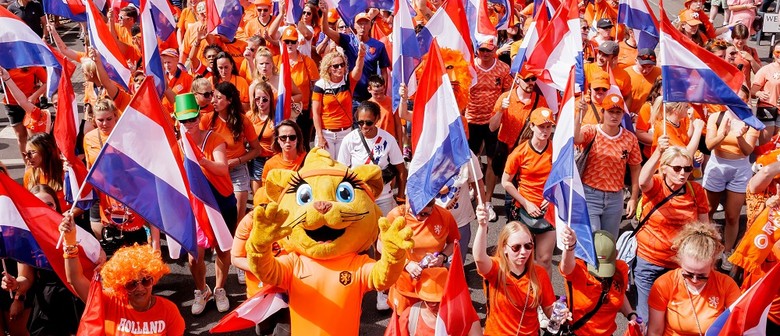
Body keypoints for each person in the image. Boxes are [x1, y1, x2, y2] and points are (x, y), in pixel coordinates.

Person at [60, 216, 185, 336]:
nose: (140, 288)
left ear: (154, 278)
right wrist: (70, 242)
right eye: (132, 283)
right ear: (121, 283)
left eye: (146, 281)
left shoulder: (169, 310)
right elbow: (75, 279)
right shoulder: (110, 303)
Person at [176, 93, 238, 315]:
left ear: (199, 116)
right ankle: (202, 290)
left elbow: (222, 168)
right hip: (194, 205)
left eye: (192, 119)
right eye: (183, 121)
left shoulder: (214, 139)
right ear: (177, 121)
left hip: (220, 200)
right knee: (195, 256)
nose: (189, 124)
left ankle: (220, 289)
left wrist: (199, 159)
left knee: (223, 249)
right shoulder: (177, 146)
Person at [634, 141, 710, 321]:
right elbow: (643, 181)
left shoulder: (696, 190)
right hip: (649, 261)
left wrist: (706, 260)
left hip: (681, 265)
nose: (683, 173)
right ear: (664, 168)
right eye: (677, 168)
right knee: (646, 319)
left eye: (687, 169)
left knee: (674, 318)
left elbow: (704, 229)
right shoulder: (657, 185)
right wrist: (657, 153)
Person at [2, 184, 85, 336]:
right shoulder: (27, 237)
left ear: (56, 206)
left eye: (49, 205)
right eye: (38, 204)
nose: (45, 209)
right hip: (47, 302)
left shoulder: (72, 230)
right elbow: (26, 278)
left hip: (75, 297)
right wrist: (16, 284)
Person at [473, 206, 557, 334]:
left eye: (528, 246)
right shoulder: (496, 268)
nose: (523, 252)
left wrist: (558, 314)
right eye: (516, 247)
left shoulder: (539, 273)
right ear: (504, 248)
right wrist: (482, 226)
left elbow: (548, 308)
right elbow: (479, 258)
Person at [647, 222, 740, 336]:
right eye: (688, 274)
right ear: (680, 262)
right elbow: (655, 331)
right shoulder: (664, 284)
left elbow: (737, 325)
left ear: (713, 264)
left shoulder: (726, 285)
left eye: (702, 276)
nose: (695, 280)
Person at [84, 99, 150, 248]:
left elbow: (142, 168)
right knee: (111, 244)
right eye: (100, 120)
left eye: (109, 119)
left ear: (115, 116)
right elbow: (89, 166)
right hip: (103, 196)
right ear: (94, 119)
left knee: (134, 243)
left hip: (128, 195)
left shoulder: (128, 136)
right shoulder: (89, 138)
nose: (105, 124)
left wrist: (121, 175)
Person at [575, 94, 642, 239]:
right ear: (602, 112)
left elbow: (635, 168)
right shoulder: (591, 131)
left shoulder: (630, 138)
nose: (614, 116)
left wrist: (633, 198)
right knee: (592, 241)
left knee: (608, 244)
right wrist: (579, 116)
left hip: (615, 198)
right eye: (611, 111)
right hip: (590, 195)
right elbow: (576, 138)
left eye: (618, 112)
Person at [501, 107, 557, 275]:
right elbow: (505, 182)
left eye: (548, 127)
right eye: (541, 127)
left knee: (544, 259)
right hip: (524, 210)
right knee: (521, 258)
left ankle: (544, 297)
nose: (545, 131)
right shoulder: (520, 152)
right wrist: (526, 203)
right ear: (532, 126)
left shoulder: (556, 149)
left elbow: (562, 178)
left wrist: (553, 196)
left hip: (549, 210)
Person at [704, 110, 758, 271]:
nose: (736, 104)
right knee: (708, 211)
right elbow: (709, 145)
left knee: (732, 216)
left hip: (740, 170)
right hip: (717, 166)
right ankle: (706, 248)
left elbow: (748, 151)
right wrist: (723, 133)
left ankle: (728, 251)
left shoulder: (751, 120)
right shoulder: (716, 117)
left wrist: (740, 135)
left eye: (742, 99)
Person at [199, 82, 260, 226]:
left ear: (229, 100)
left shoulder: (243, 120)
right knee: (217, 214)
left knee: (237, 217)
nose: (213, 101)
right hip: (214, 171)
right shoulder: (207, 119)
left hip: (237, 169)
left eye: (218, 97)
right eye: (213, 97)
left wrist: (237, 161)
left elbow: (256, 150)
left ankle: (235, 246)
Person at [466, 38, 512, 222]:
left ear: (495, 50)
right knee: (471, 159)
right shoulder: (469, 67)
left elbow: (508, 91)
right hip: (471, 120)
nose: (484, 54)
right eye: (481, 50)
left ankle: (488, 201)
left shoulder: (503, 69)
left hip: (493, 121)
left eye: (488, 50)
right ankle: (473, 188)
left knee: (493, 161)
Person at [559, 228, 636, 335]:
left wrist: (631, 315)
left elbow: (620, 294)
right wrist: (569, 247)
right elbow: (565, 266)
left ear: (616, 254)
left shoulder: (621, 269)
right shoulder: (577, 270)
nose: (601, 273)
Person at [386, 200, 459, 314]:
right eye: (415, 212)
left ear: (433, 206)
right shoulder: (396, 216)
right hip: (405, 284)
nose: (419, 217)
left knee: (430, 323)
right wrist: (406, 264)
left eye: (425, 214)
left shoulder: (444, 216)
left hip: (433, 286)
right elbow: (382, 246)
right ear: (409, 202)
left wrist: (443, 257)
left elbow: (453, 242)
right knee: (404, 324)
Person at [337, 101, 406, 216]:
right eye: (360, 122)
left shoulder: (388, 139)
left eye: (369, 123)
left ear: (377, 119)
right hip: (359, 197)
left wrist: (400, 197)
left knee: (386, 231)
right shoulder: (349, 140)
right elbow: (341, 171)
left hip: (384, 198)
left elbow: (401, 170)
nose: (364, 126)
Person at [319, 1, 390, 104]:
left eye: (366, 23)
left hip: (370, 95)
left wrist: (382, 92)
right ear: (354, 26)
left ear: (370, 25)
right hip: (351, 94)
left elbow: (384, 71)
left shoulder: (379, 45)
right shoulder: (347, 40)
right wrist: (325, 14)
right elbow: (326, 30)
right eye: (360, 23)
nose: (363, 26)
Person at [393, 267, 481, 336]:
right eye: (428, 300)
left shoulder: (465, 312)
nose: (433, 304)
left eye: (439, 301)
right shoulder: (410, 316)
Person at [311, 49, 365, 159]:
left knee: (344, 166)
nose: (339, 68)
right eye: (335, 66)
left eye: (342, 65)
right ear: (329, 68)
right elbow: (316, 113)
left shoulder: (348, 81)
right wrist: (320, 136)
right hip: (326, 133)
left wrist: (361, 56)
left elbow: (358, 70)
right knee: (327, 166)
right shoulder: (321, 85)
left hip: (345, 132)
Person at [247, 81, 277, 193]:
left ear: (270, 99)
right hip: (256, 160)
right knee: (258, 198)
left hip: (272, 160)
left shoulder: (276, 118)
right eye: (257, 99)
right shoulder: (250, 116)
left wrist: (276, 131)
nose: (260, 102)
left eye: (264, 99)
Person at [752, 41, 780, 143]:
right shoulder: (766, 70)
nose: (779, 55)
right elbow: (753, 91)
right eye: (777, 52)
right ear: (773, 53)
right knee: (766, 144)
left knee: (777, 146)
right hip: (767, 108)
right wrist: (759, 93)